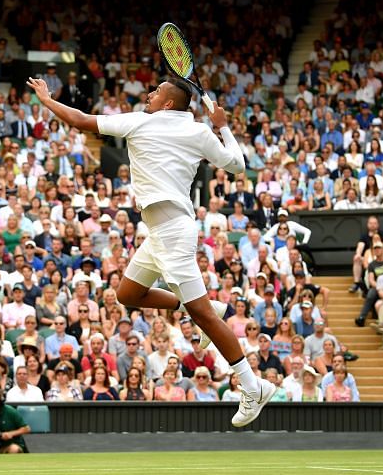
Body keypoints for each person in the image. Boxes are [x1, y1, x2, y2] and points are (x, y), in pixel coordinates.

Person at [27, 76, 272, 426]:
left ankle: (251, 386)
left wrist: (47, 99)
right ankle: (195, 308)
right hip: (159, 232)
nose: (149, 94)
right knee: (127, 294)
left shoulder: (141, 122)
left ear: (168, 103)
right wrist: (222, 128)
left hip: (172, 232)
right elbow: (237, 164)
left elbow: (80, 120)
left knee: (203, 315)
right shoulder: (201, 132)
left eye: (155, 92)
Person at [0, 387, 30, 453]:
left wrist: (11, 433)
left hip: (9, 444)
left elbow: (26, 429)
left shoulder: (10, 411)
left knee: (14, 449)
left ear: (1, 400)